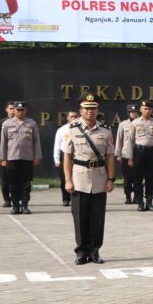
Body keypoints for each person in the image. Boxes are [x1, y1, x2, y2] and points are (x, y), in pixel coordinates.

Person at [63, 93, 115, 265]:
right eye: (86, 108)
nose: (90, 111)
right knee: (79, 217)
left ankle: (94, 251)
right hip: (79, 178)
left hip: (99, 178)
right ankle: (81, 251)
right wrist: (68, 180)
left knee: (97, 217)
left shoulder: (106, 130)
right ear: (81, 110)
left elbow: (109, 157)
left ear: (97, 109)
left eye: (93, 108)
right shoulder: (71, 129)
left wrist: (111, 179)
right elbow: (68, 157)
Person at [0, 101, 42, 215]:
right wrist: (3, 158)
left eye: (22, 109)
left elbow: (36, 141)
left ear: (25, 110)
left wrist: (37, 156)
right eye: (18, 110)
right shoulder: (7, 124)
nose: (20, 112)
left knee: (26, 184)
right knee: (13, 183)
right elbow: (3, 142)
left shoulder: (31, 123)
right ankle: (15, 206)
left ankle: (24, 205)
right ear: (13, 110)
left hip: (27, 158)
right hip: (12, 158)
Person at [128, 101, 153, 211]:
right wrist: (129, 157)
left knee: (150, 179)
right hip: (139, 152)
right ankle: (140, 202)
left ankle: (149, 202)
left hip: (151, 153)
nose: (147, 111)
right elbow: (130, 141)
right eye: (145, 108)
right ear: (140, 109)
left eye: (149, 109)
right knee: (138, 179)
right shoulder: (135, 123)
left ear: (152, 110)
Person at [53, 110, 79, 206]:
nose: (74, 118)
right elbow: (57, 145)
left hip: (78, 156)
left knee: (77, 178)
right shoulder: (62, 130)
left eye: (75, 116)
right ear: (67, 118)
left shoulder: (82, 129)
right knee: (65, 179)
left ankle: (76, 198)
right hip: (65, 156)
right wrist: (56, 159)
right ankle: (66, 199)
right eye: (72, 116)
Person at [115, 104, 138, 204]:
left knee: (138, 177)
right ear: (128, 113)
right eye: (131, 112)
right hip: (125, 154)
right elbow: (119, 140)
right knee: (127, 178)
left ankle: (137, 197)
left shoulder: (140, 123)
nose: (133, 113)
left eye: (135, 112)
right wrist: (118, 154)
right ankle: (128, 196)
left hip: (138, 154)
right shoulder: (123, 124)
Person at [0, 101, 15, 208]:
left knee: (17, 179)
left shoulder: (21, 122)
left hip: (17, 155)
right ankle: (7, 199)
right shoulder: (1, 123)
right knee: (5, 180)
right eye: (10, 108)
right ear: (6, 109)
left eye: (13, 108)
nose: (12, 111)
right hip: (5, 155)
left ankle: (17, 198)